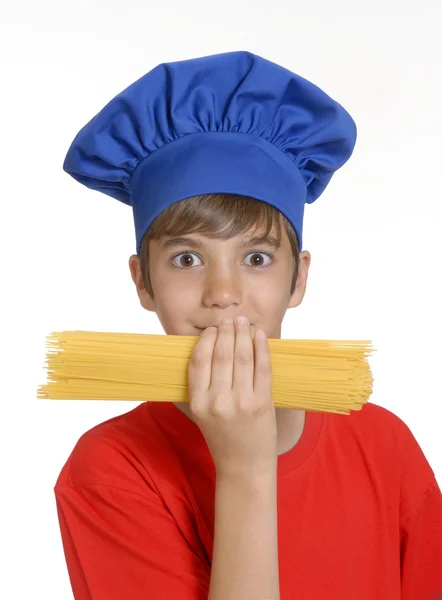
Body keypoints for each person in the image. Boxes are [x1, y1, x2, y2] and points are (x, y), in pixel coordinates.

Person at [54, 51, 442, 599]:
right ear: (143, 283)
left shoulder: (383, 444)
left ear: (297, 279)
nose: (224, 294)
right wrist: (245, 469)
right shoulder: (111, 470)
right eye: (187, 259)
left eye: (256, 258)